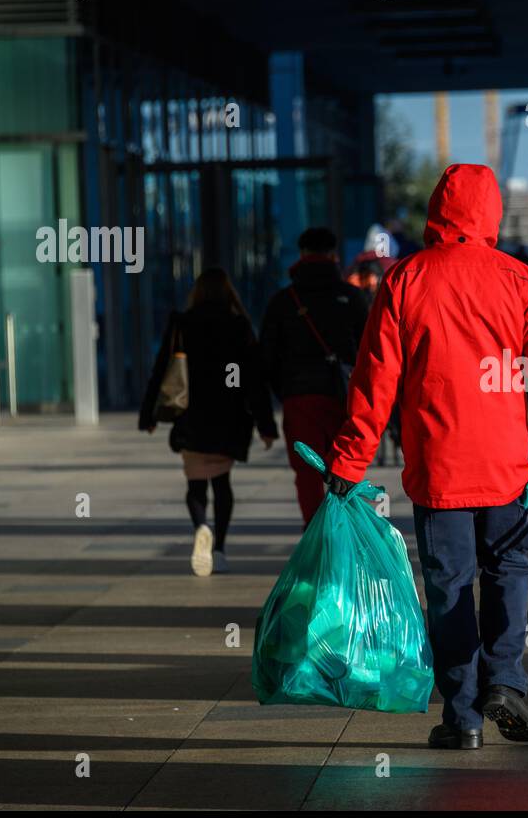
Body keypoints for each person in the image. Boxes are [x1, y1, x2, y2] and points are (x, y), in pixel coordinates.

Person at [323, 164, 528, 751]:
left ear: (438, 211)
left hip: (437, 469)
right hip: (505, 468)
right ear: (491, 211)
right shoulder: (520, 280)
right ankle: (506, 680)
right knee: (508, 570)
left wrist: (348, 462)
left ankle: (463, 717)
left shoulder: (405, 280)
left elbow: (374, 383)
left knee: (448, 586)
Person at [140, 268, 277, 577]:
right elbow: (254, 380)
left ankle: (202, 526)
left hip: (191, 415)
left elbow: (161, 370)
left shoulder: (182, 324)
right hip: (228, 417)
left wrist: (148, 415)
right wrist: (266, 425)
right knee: (222, 483)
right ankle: (220, 550)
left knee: (195, 483)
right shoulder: (238, 326)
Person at [259, 227, 369, 526]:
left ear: (302, 254)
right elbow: (373, 353)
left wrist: (266, 418)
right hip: (345, 397)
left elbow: (265, 361)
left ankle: (316, 533)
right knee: (347, 468)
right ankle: (345, 533)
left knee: (307, 475)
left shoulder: (284, 301)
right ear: (334, 255)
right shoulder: (352, 296)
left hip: (299, 398)